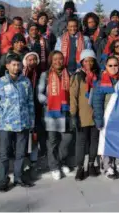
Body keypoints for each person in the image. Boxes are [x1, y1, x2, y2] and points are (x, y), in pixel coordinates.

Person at [0, 53, 35, 192]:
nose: (16, 67)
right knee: (4, 154)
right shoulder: (0, 82)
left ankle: (18, 177)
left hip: (23, 123)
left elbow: (30, 102)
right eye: (13, 65)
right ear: (7, 66)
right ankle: (3, 180)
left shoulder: (25, 82)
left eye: (18, 65)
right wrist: (2, 115)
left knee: (20, 153)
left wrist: (31, 120)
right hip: (6, 124)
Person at [37, 51, 74, 180]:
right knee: (52, 141)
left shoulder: (68, 74)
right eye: (55, 59)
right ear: (51, 61)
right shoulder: (45, 75)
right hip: (51, 112)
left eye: (60, 59)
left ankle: (62, 161)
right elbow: (39, 93)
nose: (58, 61)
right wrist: (50, 101)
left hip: (66, 112)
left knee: (67, 139)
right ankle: (54, 167)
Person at [70, 50, 100, 181]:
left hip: (96, 114)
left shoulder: (98, 76)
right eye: (86, 60)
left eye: (91, 60)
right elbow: (73, 97)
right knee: (81, 143)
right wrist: (73, 114)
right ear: (82, 62)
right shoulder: (77, 76)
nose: (88, 63)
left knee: (94, 141)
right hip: (82, 114)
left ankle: (91, 164)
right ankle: (80, 167)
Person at [92, 56, 119, 180]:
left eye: (115, 65)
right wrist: (99, 120)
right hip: (107, 117)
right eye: (110, 65)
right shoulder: (100, 83)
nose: (113, 68)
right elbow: (97, 103)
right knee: (107, 143)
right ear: (106, 67)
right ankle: (107, 166)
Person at [22, 51, 46, 163]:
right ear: (25, 61)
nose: (32, 62)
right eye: (30, 60)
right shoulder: (21, 74)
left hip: (36, 107)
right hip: (23, 108)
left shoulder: (41, 72)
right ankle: (23, 156)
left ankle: (34, 156)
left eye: (34, 60)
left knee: (36, 132)